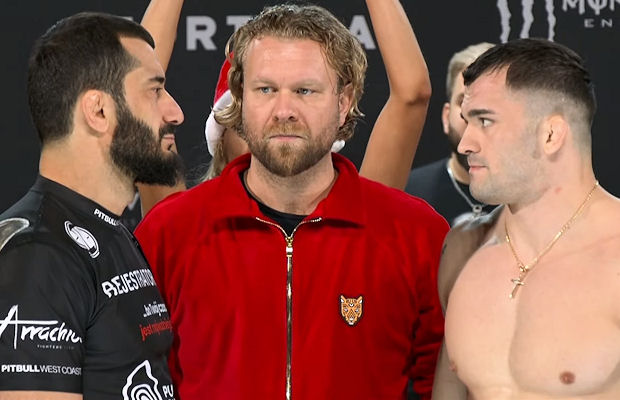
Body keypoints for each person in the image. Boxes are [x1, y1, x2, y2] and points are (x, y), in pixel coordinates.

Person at [135, 3, 449, 400]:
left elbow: (445, 382)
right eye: (265, 90)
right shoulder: (170, 230)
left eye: (305, 91)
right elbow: (137, 377)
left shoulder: (412, 232)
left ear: (344, 102)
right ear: (240, 102)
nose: (284, 111)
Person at [0, 12, 183, 399]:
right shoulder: (37, 256)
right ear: (98, 111)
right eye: (155, 91)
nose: (175, 113)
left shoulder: (107, 232)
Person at [432, 38, 620, 399]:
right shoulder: (462, 249)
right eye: (467, 122)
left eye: (485, 121)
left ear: (550, 134)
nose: (465, 143)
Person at [405, 43, 495, 226]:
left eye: (491, 104)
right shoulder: (408, 194)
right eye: (464, 102)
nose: (475, 115)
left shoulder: (535, 198)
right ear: (446, 117)